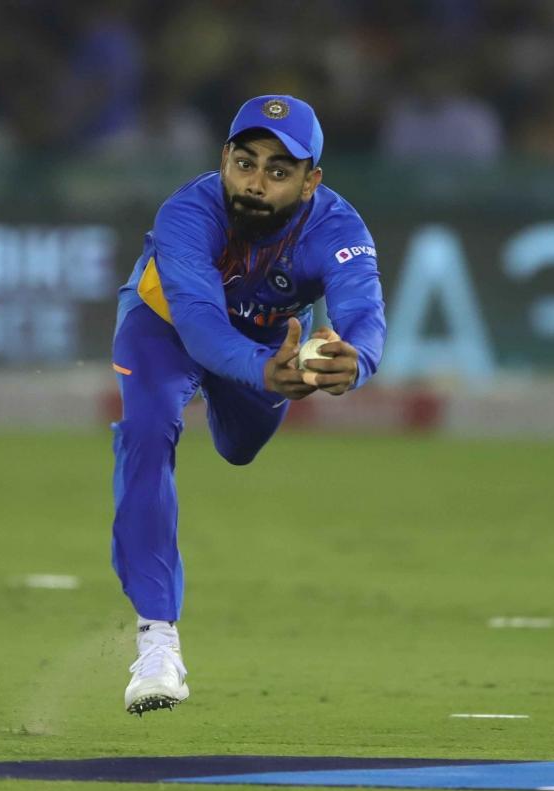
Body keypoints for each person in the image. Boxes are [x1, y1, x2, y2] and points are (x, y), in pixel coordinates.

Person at [110, 95, 386, 715]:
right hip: (163, 324)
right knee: (147, 427)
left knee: (239, 449)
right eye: (245, 163)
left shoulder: (340, 229)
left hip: (267, 344)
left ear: (311, 182)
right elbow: (200, 324)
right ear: (224, 160)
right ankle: (157, 644)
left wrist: (357, 360)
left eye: (279, 171)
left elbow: (362, 311)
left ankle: (243, 398)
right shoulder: (187, 212)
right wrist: (265, 370)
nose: (256, 183)